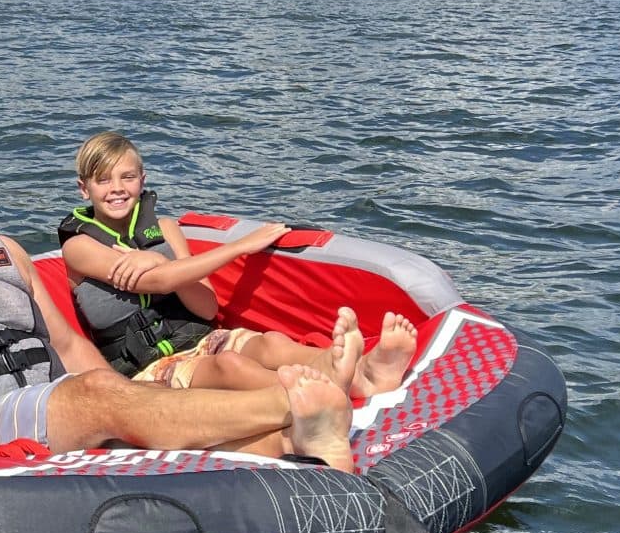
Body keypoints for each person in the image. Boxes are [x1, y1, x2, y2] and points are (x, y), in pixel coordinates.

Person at [0, 127, 353, 469]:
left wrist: (129, 399)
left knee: (141, 406)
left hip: (58, 409)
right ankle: (296, 406)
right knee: (99, 392)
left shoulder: (3, 248)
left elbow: (66, 342)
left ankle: (300, 448)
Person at [58, 130, 417, 399]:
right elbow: (155, 281)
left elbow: (207, 305)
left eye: (127, 177)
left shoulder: (166, 229)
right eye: (103, 180)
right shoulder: (80, 247)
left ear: (143, 181)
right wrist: (241, 247)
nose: (117, 188)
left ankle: (364, 373)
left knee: (272, 345)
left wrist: (157, 255)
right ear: (83, 189)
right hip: (149, 372)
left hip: (203, 339)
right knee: (231, 367)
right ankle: (327, 393)